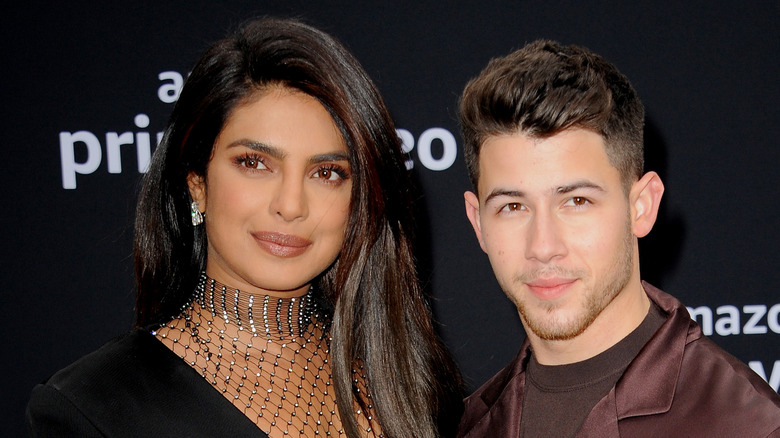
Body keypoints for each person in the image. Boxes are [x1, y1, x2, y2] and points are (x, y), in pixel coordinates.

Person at [27, 17, 463, 438]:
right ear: (197, 183)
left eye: (327, 172)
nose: (291, 206)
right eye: (254, 164)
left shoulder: (403, 379)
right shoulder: (95, 407)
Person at [456, 40, 780, 437]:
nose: (542, 246)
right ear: (478, 222)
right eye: (513, 207)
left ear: (641, 206)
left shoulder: (747, 425)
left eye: (576, 201)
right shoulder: (465, 426)